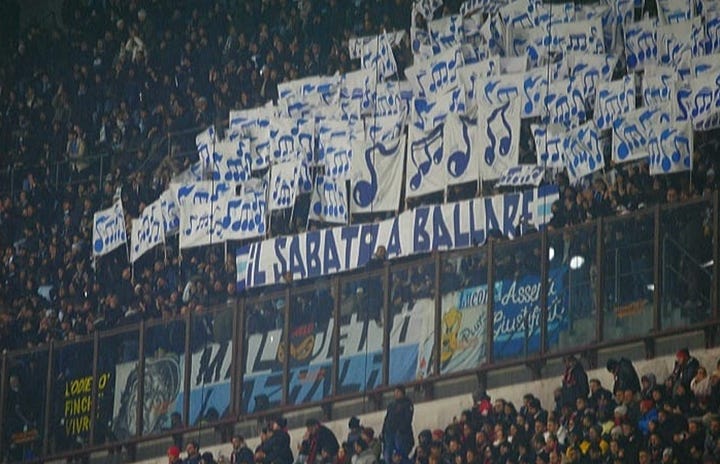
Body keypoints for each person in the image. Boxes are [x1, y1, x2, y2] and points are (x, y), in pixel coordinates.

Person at [381, 385, 415, 464]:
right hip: (389, 433)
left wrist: (400, 430)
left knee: (400, 455)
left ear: (402, 393)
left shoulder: (407, 404)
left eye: (398, 392)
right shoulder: (391, 405)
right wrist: (383, 431)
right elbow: (386, 419)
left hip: (401, 435)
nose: (396, 394)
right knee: (387, 455)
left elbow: (408, 419)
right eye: (395, 392)